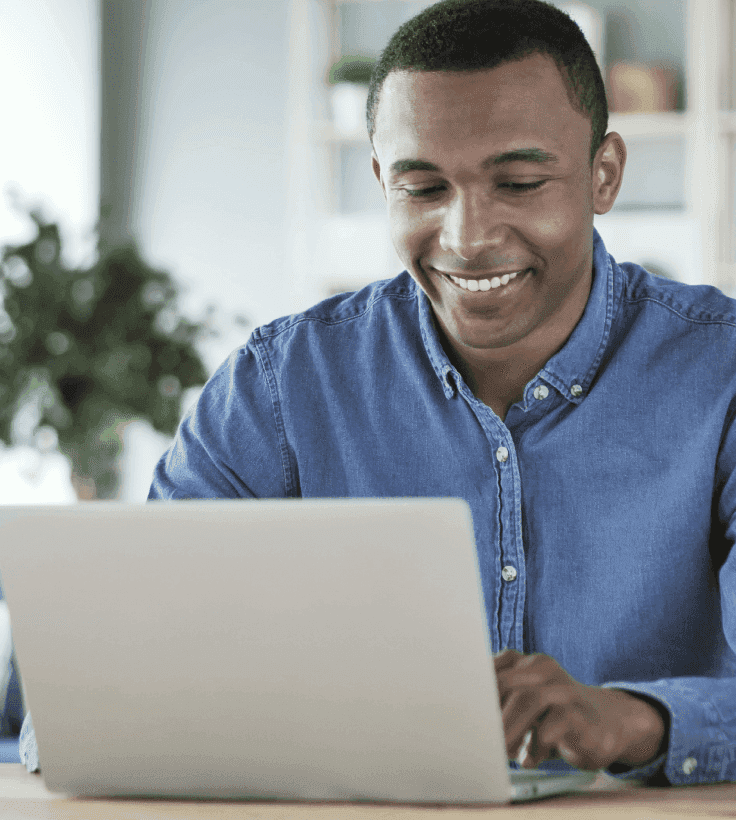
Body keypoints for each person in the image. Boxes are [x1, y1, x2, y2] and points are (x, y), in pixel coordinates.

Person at [21, 0, 735, 785]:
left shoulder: (721, 372)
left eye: (521, 182)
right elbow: (106, 688)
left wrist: (637, 719)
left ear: (604, 174)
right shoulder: (281, 385)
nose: (467, 236)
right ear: (380, 183)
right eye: (424, 188)